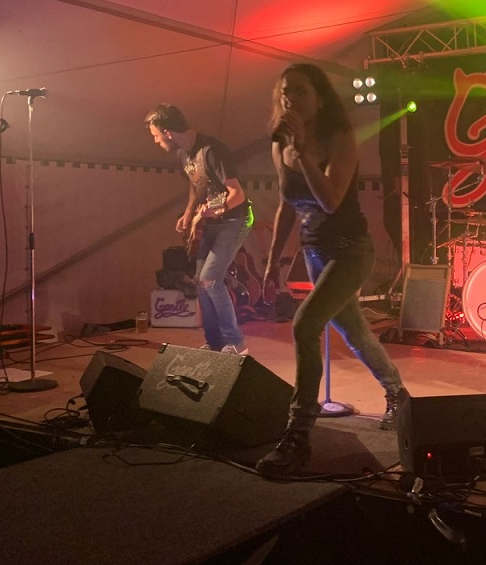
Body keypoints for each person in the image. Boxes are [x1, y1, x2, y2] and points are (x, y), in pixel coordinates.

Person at [256, 63, 409, 478]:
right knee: (355, 332)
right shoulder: (280, 145)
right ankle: (399, 394)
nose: (290, 98)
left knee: (305, 326)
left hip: (350, 251)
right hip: (314, 252)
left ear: (320, 99)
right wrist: (273, 261)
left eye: (300, 91)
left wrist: (303, 153)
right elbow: (288, 205)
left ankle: (298, 434)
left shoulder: (339, 138)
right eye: (284, 91)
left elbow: (330, 200)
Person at [145, 103, 252, 355]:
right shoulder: (183, 154)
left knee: (211, 279)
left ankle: (236, 343)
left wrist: (217, 210)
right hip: (211, 222)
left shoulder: (212, 151)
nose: (156, 141)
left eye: (156, 135)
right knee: (199, 282)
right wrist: (189, 212)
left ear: (168, 132)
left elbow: (237, 194)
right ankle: (214, 343)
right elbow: (196, 185)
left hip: (235, 220)